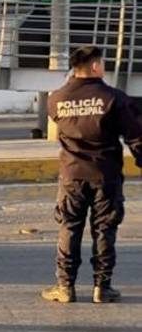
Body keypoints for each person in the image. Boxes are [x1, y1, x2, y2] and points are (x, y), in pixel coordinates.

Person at [42, 45, 142, 303]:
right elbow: (136, 135)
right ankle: (102, 287)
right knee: (104, 229)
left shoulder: (56, 99)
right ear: (96, 66)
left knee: (69, 227)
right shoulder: (114, 98)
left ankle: (65, 287)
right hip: (105, 174)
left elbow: (60, 122)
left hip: (72, 174)